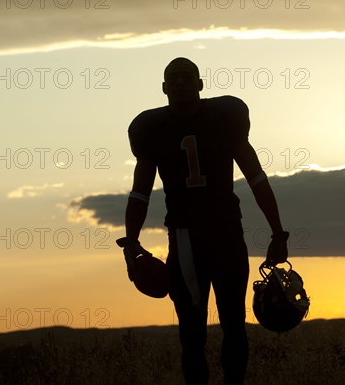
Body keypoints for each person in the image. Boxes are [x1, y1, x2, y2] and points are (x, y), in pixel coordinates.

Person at [117, 57, 289, 384]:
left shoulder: (225, 119)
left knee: (234, 324)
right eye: (174, 79)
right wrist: (131, 240)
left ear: (200, 84)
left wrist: (278, 232)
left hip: (226, 232)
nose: (181, 83)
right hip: (184, 238)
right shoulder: (152, 130)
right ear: (165, 88)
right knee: (191, 334)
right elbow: (140, 192)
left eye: (187, 77)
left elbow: (257, 178)